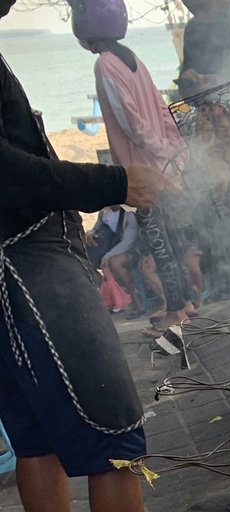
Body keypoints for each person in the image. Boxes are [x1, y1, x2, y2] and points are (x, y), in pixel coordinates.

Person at [0, 0, 210, 512]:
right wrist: (113, 185)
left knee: (34, 435)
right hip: (25, 259)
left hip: (22, 261)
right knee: (114, 423)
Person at [73, 0, 193, 333]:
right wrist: (175, 154)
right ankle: (185, 303)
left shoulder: (106, 65)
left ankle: (174, 313)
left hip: (142, 174)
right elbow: (161, 109)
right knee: (172, 239)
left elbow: (131, 123)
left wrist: (157, 155)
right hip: (165, 166)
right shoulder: (133, 59)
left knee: (159, 244)